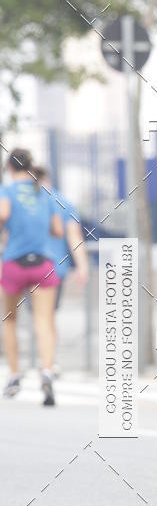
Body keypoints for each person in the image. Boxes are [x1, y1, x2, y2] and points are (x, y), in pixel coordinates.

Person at [0, 149, 63, 405]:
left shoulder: (7, 192)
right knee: (44, 322)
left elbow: (3, 214)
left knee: (10, 320)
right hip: (42, 264)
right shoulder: (44, 192)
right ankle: (46, 372)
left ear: (8, 168)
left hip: (14, 263)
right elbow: (58, 230)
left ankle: (15, 375)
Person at [40, 169, 90, 374]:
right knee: (48, 316)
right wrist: (82, 266)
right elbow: (74, 237)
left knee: (36, 316)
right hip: (54, 269)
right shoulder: (63, 202)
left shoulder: (22, 200)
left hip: (23, 265)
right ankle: (49, 362)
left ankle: (41, 361)